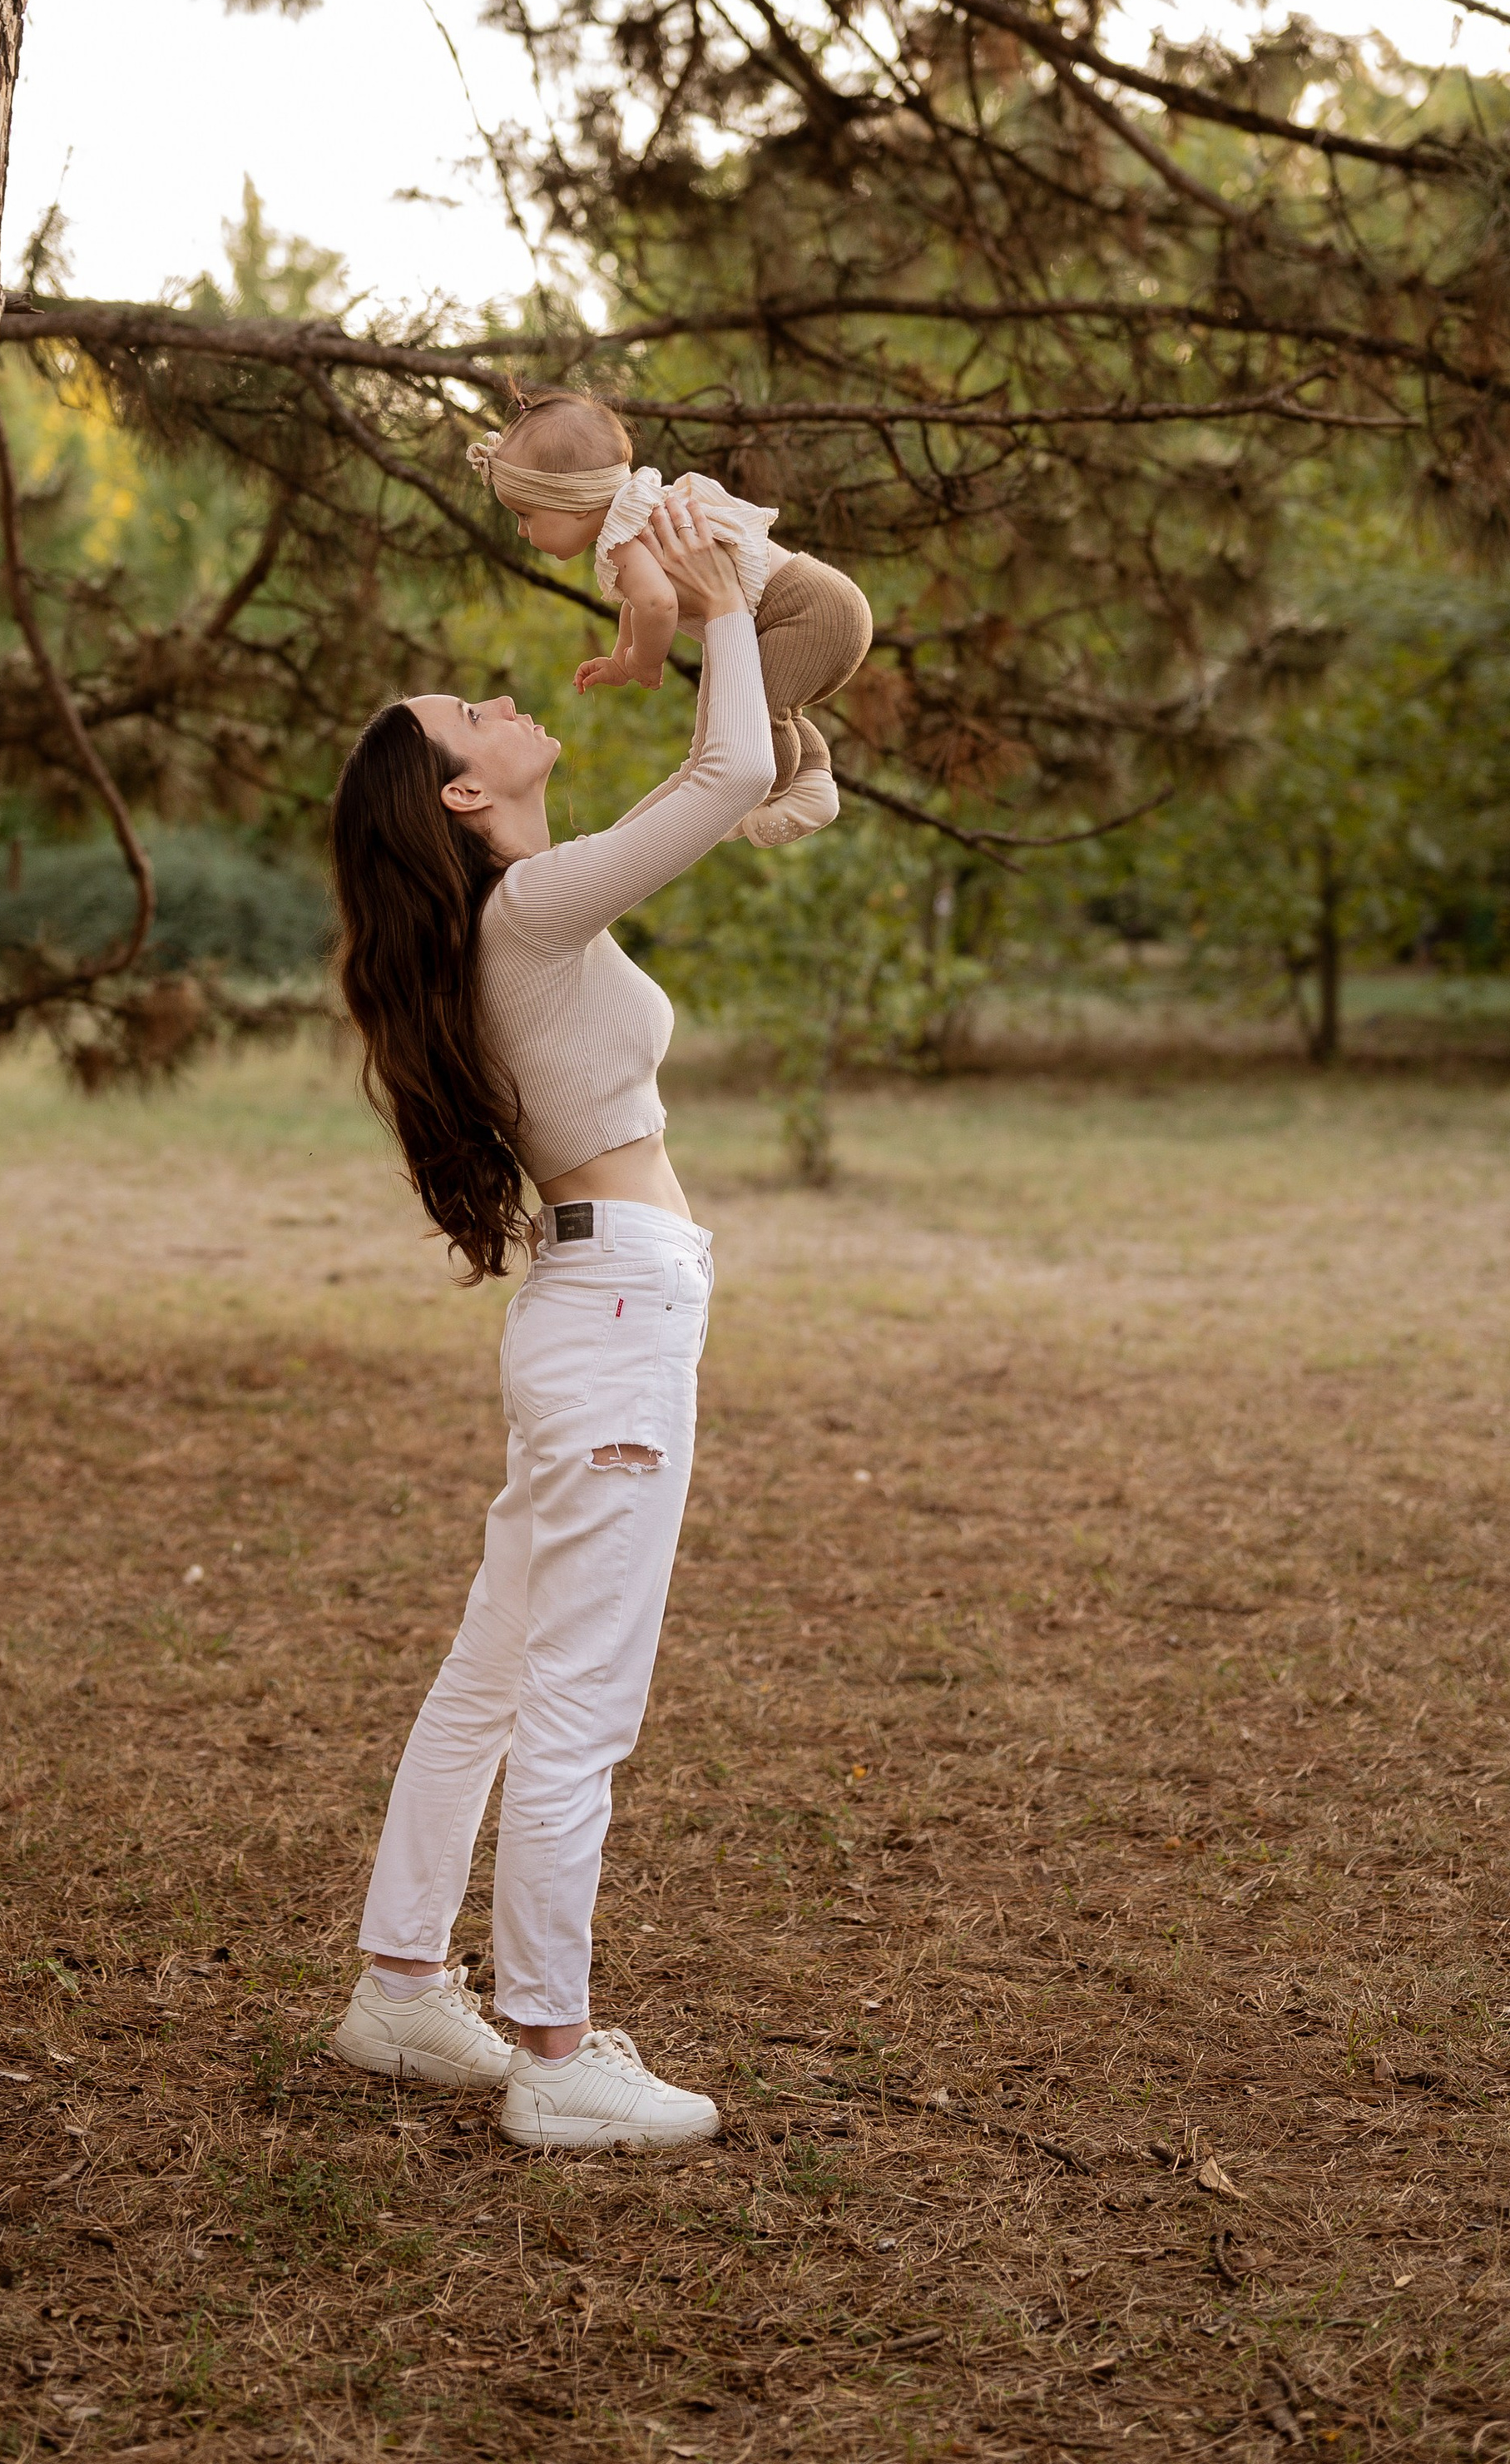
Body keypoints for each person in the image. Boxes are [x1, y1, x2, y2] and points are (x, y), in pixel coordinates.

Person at [324, 495, 775, 2152]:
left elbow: (727, 783)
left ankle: (397, 1985)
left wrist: (737, 690)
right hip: (609, 1317)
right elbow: (712, 783)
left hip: (585, 1310)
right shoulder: (522, 916)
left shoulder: (513, 923)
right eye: (473, 714)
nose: (507, 702)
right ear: (462, 791)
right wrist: (722, 612)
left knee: (499, 1672)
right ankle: (553, 2045)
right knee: (574, 1698)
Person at [467, 389, 874, 846]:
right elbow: (638, 603)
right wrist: (621, 660)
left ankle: (766, 796)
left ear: (576, 502)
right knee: (769, 704)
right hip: (820, 607)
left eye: (526, 515)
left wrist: (643, 662)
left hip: (808, 611)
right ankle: (815, 784)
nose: (523, 531)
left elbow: (659, 605)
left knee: (760, 714)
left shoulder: (626, 534)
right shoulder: (632, 520)